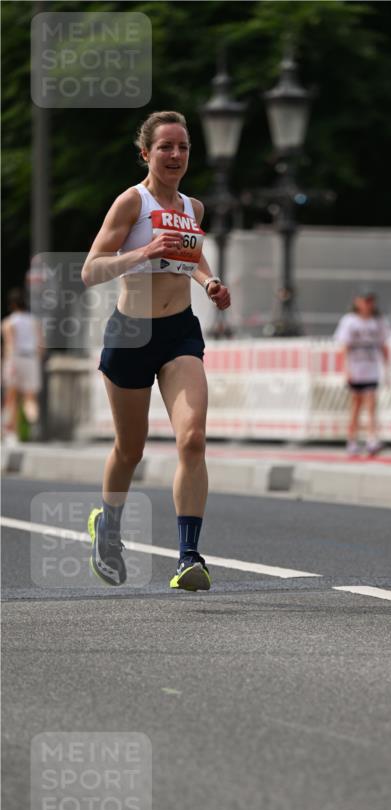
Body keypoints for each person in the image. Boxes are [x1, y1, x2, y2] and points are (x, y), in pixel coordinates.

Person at [81, 110, 230, 591]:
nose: (175, 155)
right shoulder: (132, 202)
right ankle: (109, 527)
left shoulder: (194, 208)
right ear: (146, 153)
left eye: (183, 147)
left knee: (193, 439)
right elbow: (91, 270)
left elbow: (192, 253)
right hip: (130, 334)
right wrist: (142, 252)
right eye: (165, 147)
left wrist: (209, 281)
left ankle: (189, 557)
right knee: (131, 448)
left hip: (179, 333)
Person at [333, 289, 391, 456]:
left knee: (372, 403)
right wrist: (346, 370)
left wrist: (387, 369)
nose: (368, 305)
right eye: (365, 301)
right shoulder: (350, 321)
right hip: (356, 366)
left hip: (371, 366)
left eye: (370, 301)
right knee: (356, 404)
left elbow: (383, 345)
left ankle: (372, 438)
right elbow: (343, 347)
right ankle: (352, 439)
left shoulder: (378, 321)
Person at [1, 288, 44, 441]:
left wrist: (10, 365)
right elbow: (40, 346)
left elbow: (10, 345)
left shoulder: (8, 322)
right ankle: (34, 424)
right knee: (29, 398)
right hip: (31, 359)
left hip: (16, 358)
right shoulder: (34, 321)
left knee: (12, 397)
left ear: (12, 304)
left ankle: (11, 432)